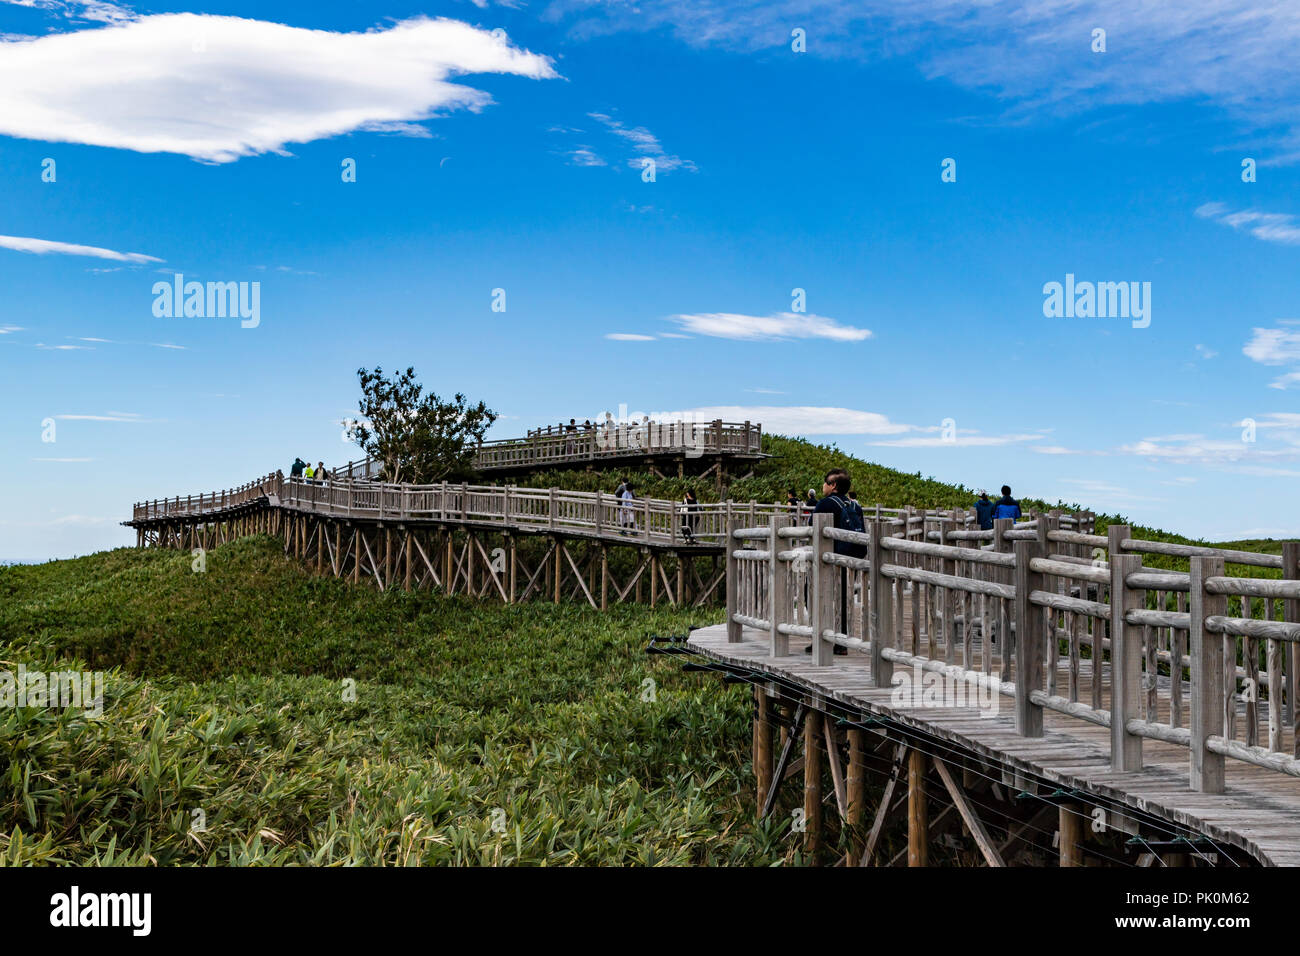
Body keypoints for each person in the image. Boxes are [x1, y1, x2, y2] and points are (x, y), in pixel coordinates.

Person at [806, 469, 864, 656]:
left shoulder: (826, 503)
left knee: (814, 595)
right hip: (848, 560)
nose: (823, 485)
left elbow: (811, 525)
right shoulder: (854, 505)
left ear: (833, 486)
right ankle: (840, 642)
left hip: (829, 560)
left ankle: (820, 638)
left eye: (825, 482)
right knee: (842, 600)